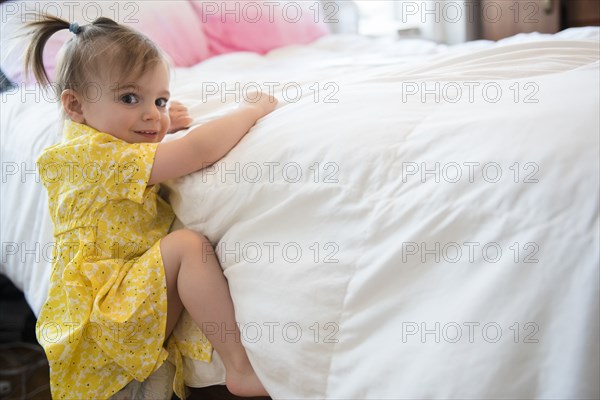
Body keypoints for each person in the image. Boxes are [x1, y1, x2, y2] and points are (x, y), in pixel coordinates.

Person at [24, 14, 276, 399]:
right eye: (129, 98)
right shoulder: (89, 157)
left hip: (116, 319)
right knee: (188, 246)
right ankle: (240, 369)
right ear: (75, 106)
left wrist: (157, 127)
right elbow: (198, 152)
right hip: (105, 317)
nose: (151, 114)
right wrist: (252, 110)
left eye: (159, 100)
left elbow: (137, 158)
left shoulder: (102, 149)